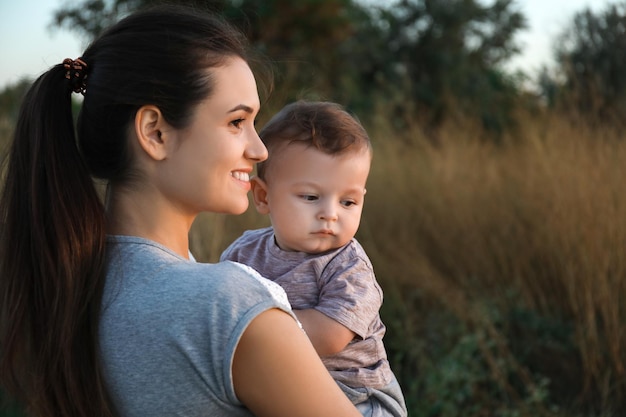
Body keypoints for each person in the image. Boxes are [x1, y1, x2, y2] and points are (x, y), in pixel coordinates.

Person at [0, 6, 363, 417]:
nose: (259, 150)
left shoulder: (73, 281)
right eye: (236, 121)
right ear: (155, 132)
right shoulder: (225, 303)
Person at [220, 100, 408, 417]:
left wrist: (253, 324)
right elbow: (221, 304)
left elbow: (330, 337)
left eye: (348, 202)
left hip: (358, 396)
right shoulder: (243, 253)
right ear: (264, 196)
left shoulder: (348, 265)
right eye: (310, 197)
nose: (330, 214)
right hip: (286, 386)